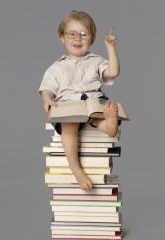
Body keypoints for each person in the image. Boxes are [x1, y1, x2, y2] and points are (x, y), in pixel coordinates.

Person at [38, 10, 120, 191]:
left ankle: (109, 126)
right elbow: (47, 88)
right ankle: (76, 169)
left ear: (92, 39)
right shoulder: (57, 67)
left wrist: (111, 48)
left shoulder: (97, 61)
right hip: (69, 105)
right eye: (72, 34)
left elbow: (112, 72)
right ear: (62, 38)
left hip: (93, 100)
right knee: (70, 125)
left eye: (84, 35)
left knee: (99, 113)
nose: (78, 39)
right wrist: (47, 100)